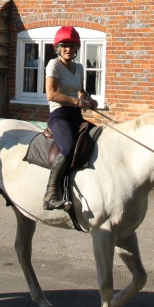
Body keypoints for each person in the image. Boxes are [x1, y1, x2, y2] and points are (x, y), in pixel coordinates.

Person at [43, 26, 97, 210]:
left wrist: (89, 100)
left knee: (97, 137)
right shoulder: (54, 64)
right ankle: (51, 193)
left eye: (72, 46)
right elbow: (50, 94)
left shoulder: (79, 67)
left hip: (76, 115)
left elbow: (81, 91)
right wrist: (76, 101)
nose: (68, 50)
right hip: (59, 115)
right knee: (68, 147)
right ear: (58, 48)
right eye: (65, 46)